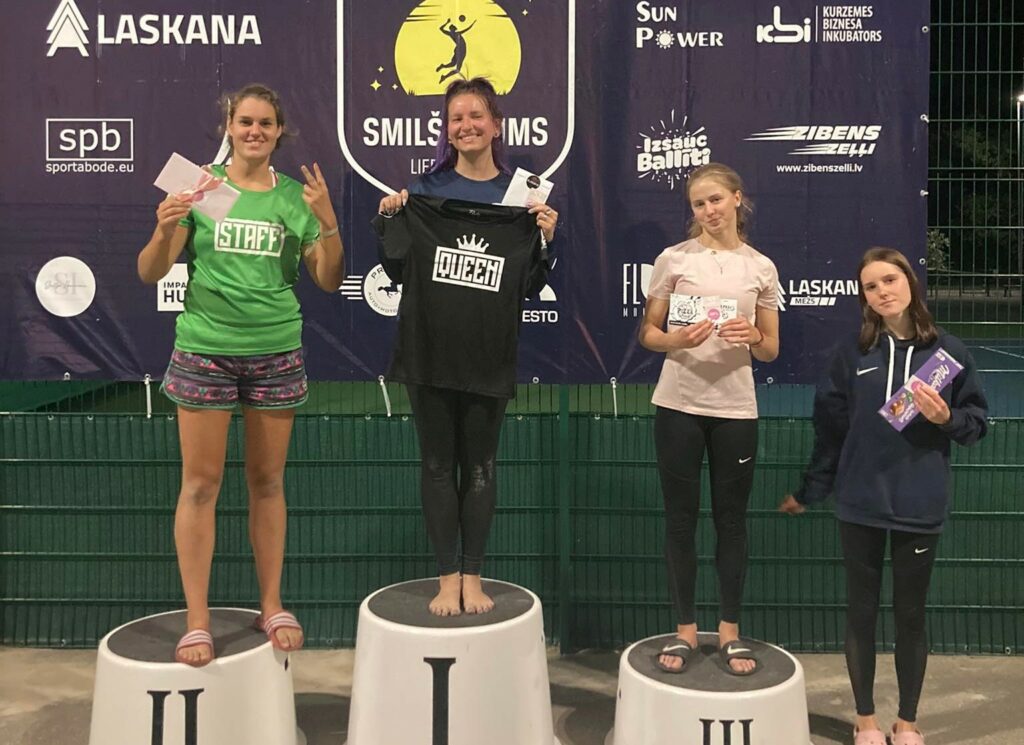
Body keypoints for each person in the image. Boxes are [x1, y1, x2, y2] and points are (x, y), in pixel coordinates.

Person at [137, 83, 344, 666]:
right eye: (245, 121)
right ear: (229, 126)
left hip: (275, 352)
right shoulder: (199, 186)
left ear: (279, 132)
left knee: (268, 483)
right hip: (205, 351)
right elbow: (151, 272)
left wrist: (328, 224)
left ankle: (271, 605)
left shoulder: (295, 198)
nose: (255, 131)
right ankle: (197, 621)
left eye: (265, 123)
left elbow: (329, 280)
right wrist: (162, 229)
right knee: (200, 485)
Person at [780, 247, 988, 745]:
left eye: (890, 280)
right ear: (864, 298)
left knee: (911, 616)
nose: (882, 292)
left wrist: (946, 418)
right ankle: (866, 721)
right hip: (861, 504)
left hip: (919, 504)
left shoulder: (950, 353)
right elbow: (829, 432)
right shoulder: (852, 355)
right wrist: (811, 490)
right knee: (862, 613)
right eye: (870, 287)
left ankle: (908, 722)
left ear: (910, 283)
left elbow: (976, 425)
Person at [377, 77, 557, 616]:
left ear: (496, 125)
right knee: (436, 464)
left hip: (488, 354)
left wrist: (544, 238)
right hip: (428, 351)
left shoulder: (523, 198)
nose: (466, 126)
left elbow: (528, 284)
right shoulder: (423, 192)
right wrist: (390, 217)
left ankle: (473, 576)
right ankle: (447, 577)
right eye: (456, 118)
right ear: (446, 129)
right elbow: (397, 269)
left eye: (476, 115)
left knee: (480, 466)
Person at [637, 162, 780, 675]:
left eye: (716, 199)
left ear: (737, 199)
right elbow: (649, 333)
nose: (708, 210)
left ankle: (729, 634)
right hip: (678, 406)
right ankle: (684, 632)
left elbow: (770, 349)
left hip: (736, 411)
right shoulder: (673, 259)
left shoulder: (761, 267)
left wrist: (754, 336)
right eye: (699, 204)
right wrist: (674, 339)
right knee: (680, 520)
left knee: (731, 522)